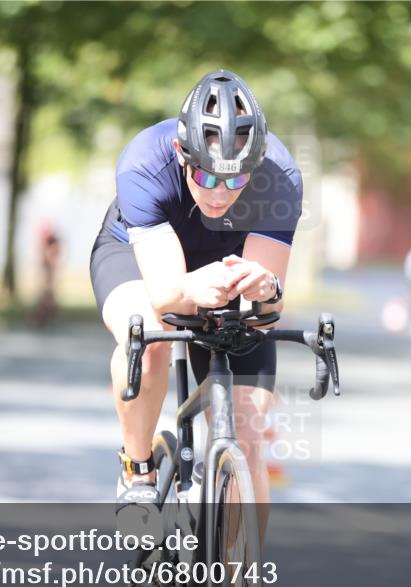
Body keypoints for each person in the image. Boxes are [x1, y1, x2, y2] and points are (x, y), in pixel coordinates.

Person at [89, 70, 302, 532]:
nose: (218, 192)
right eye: (205, 175)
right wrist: (189, 290)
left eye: (235, 180)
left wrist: (265, 290)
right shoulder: (144, 161)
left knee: (248, 435)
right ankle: (138, 469)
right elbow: (167, 294)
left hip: (228, 260)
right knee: (145, 337)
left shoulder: (280, 176)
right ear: (182, 154)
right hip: (137, 252)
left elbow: (265, 314)